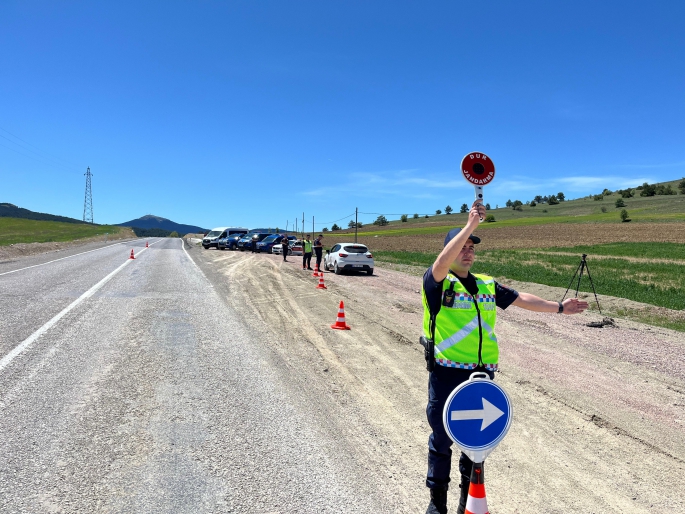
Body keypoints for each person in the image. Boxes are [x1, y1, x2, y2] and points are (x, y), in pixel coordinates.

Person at [422, 200, 588, 514]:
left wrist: (560, 307)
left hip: (482, 377)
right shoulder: (436, 282)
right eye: (462, 246)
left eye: (472, 247)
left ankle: (465, 504)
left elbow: (521, 298)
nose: (468, 251)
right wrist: (470, 225)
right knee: (441, 442)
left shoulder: (486, 284)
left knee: (474, 444)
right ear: (450, 249)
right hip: (447, 374)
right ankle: (436, 505)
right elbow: (440, 264)